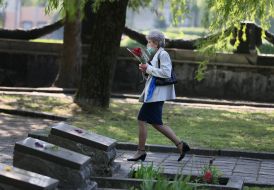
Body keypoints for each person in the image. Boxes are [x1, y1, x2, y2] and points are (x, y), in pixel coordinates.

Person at [127, 30, 190, 162]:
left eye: (150, 42)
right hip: (154, 93)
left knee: (142, 119)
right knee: (156, 123)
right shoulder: (157, 55)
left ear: (156, 43)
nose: (148, 44)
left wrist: (148, 69)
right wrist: (145, 69)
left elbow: (166, 73)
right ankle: (181, 145)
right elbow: (154, 74)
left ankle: (141, 151)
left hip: (157, 94)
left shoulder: (163, 54)